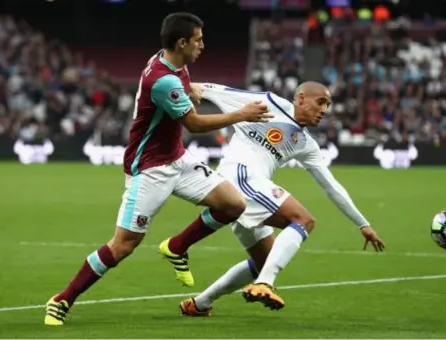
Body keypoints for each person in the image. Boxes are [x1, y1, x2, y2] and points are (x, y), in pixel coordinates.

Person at [44, 12, 271, 326]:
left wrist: (225, 97)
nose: (203, 45)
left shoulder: (174, 64)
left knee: (233, 204)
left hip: (178, 158)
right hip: (150, 168)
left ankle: (177, 246)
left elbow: (189, 93)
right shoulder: (162, 80)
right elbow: (192, 122)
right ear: (181, 42)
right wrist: (242, 115)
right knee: (123, 245)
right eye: (198, 40)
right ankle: (62, 300)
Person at [178, 82, 386, 316]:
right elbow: (216, 91)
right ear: (300, 99)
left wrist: (363, 224)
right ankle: (265, 283)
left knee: (263, 261)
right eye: (320, 102)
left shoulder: (307, 144)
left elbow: (332, 187)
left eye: (327, 105)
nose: (324, 110)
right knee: (303, 220)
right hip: (239, 177)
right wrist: (194, 87)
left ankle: (199, 304)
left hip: (249, 191)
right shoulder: (269, 103)